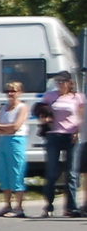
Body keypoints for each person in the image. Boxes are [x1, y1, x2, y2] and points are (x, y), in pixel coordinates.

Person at [38, 74, 82, 218]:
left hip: (71, 135)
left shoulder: (77, 97)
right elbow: (40, 111)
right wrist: (44, 117)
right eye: (58, 82)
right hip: (53, 134)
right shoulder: (50, 96)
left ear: (69, 83)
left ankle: (71, 207)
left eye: (63, 82)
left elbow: (82, 116)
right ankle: (49, 205)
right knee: (51, 172)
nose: (60, 84)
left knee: (71, 173)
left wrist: (78, 131)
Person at [0, 82, 30, 217]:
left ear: (20, 92)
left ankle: (18, 207)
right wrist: (3, 128)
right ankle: (6, 204)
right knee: (3, 172)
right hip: (2, 141)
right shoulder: (2, 108)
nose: (10, 93)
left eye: (13, 91)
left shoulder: (22, 107)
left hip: (16, 141)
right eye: (8, 91)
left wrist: (2, 128)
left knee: (16, 171)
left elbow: (16, 126)